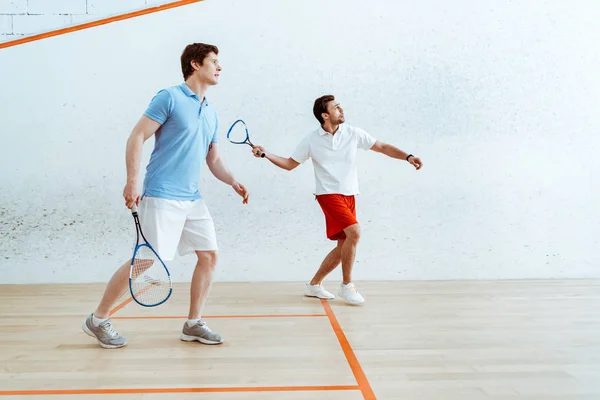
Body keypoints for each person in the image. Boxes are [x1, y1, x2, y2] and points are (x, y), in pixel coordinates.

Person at [82, 43, 249, 348]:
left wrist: (233, 181)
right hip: (161, 195)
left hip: (192, 198)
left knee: (209, 255)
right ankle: (98, 319)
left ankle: (193, 324)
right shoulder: (169, 97)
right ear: (196, 64)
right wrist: (132, 181)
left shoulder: (211, 112)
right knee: (144, 262)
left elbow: (213, 159)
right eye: (214, 61)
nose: (220, 67)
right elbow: (137, 136)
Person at [251, 95, 422, 305]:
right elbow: (289, 164)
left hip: (350, 194)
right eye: (336, 107)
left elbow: (382, 146)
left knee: (344, 245)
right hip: (327, 194)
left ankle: (314, 285)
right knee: (355, 232)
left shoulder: (353, 133)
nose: (341, 109)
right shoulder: (311, 140)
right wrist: (265, 154)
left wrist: (408, 157)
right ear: (325, 115)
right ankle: (347, 286)